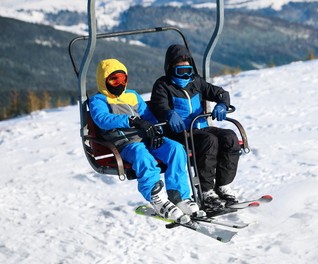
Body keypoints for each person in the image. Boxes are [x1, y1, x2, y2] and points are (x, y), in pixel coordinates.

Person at [89, 58, 205, 223]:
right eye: (114, 80)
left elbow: (148, 116)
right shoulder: (99, 100)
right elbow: (102, 119)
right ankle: (157, 198)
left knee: (176, 149)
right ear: (104, 81)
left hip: (147, 138)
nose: (119, 84)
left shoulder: (132, 95)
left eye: (123, 79)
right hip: (126, 143)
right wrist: (130, 120)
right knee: (143, 157)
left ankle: (179, 196)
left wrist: (155, 131)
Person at [150, 44, 241, 209]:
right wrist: (169, 114)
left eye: (188, 70)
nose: (185, 75)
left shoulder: (196, 82)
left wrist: (222, 103)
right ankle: (206, 192)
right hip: (180, 133)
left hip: (200, 127)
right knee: (209, 141)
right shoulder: (163, 86)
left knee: (230, 137)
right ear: (170, 69)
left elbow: (220, 93)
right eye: (180, 71)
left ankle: (223, 186)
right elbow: (159, 105)